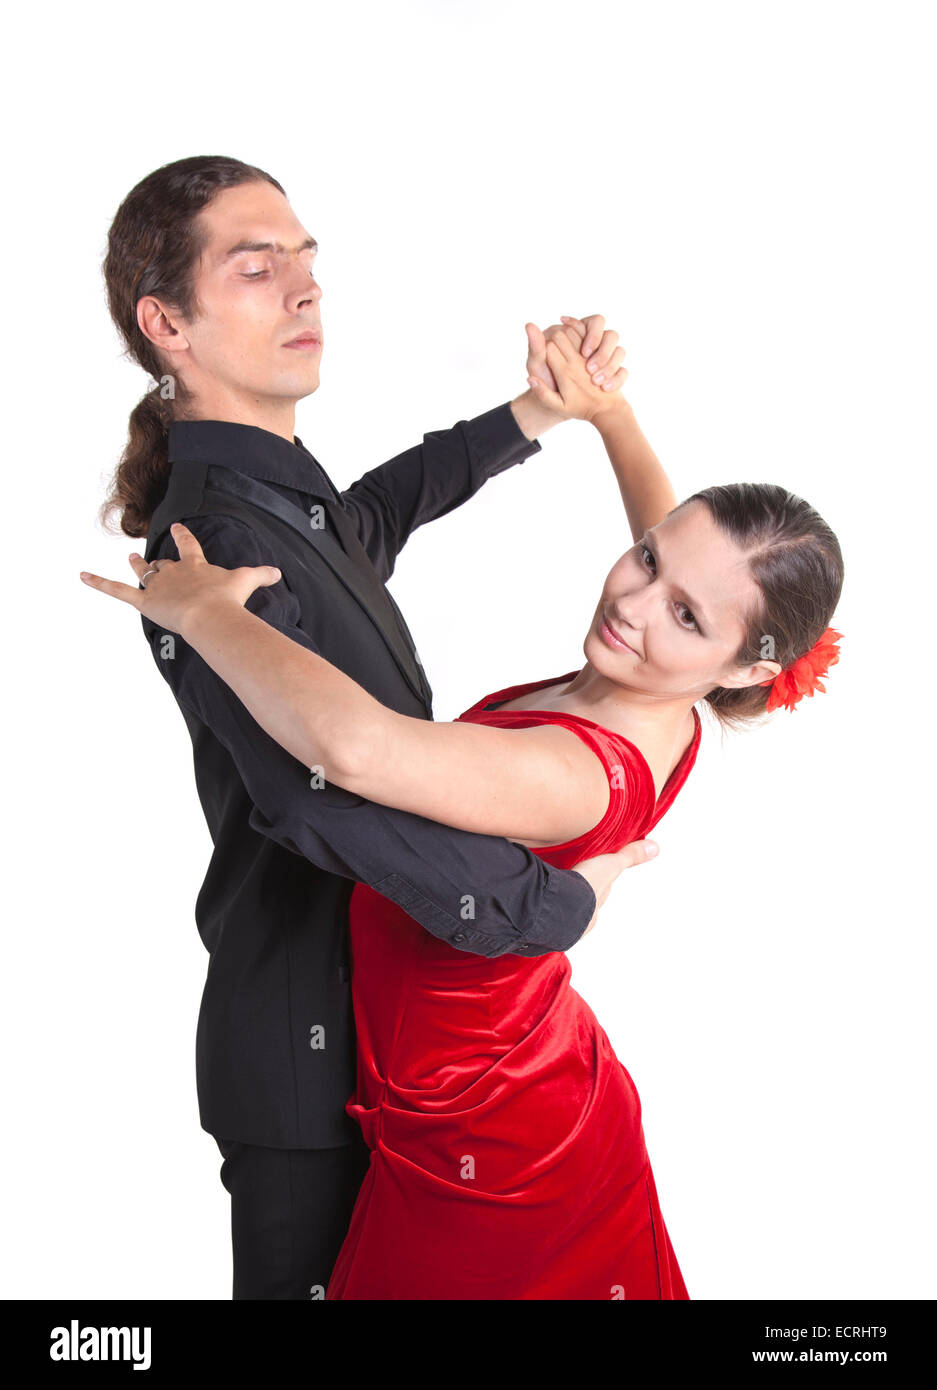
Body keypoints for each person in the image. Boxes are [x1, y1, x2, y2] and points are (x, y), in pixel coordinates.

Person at [83, 316, 845, 1298]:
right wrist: (606, 417)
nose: (635, 603)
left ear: (748, 666)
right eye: (646, 558)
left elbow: (349, 748)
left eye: (685, 615)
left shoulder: (570, 773)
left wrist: (208, 616)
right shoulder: (684, 688)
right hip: (528, 1070)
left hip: (483, 1136)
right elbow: (696, 561)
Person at [88, 154, 651, 1300]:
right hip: (309, 1056)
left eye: (307, 262)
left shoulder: (278, 497)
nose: (305, 290)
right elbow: (307, 796)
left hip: (385, 1033)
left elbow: (369, 517)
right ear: (168, 324)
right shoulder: (206, 547)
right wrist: (540, 906)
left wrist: (536, 413)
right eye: (257, 268)